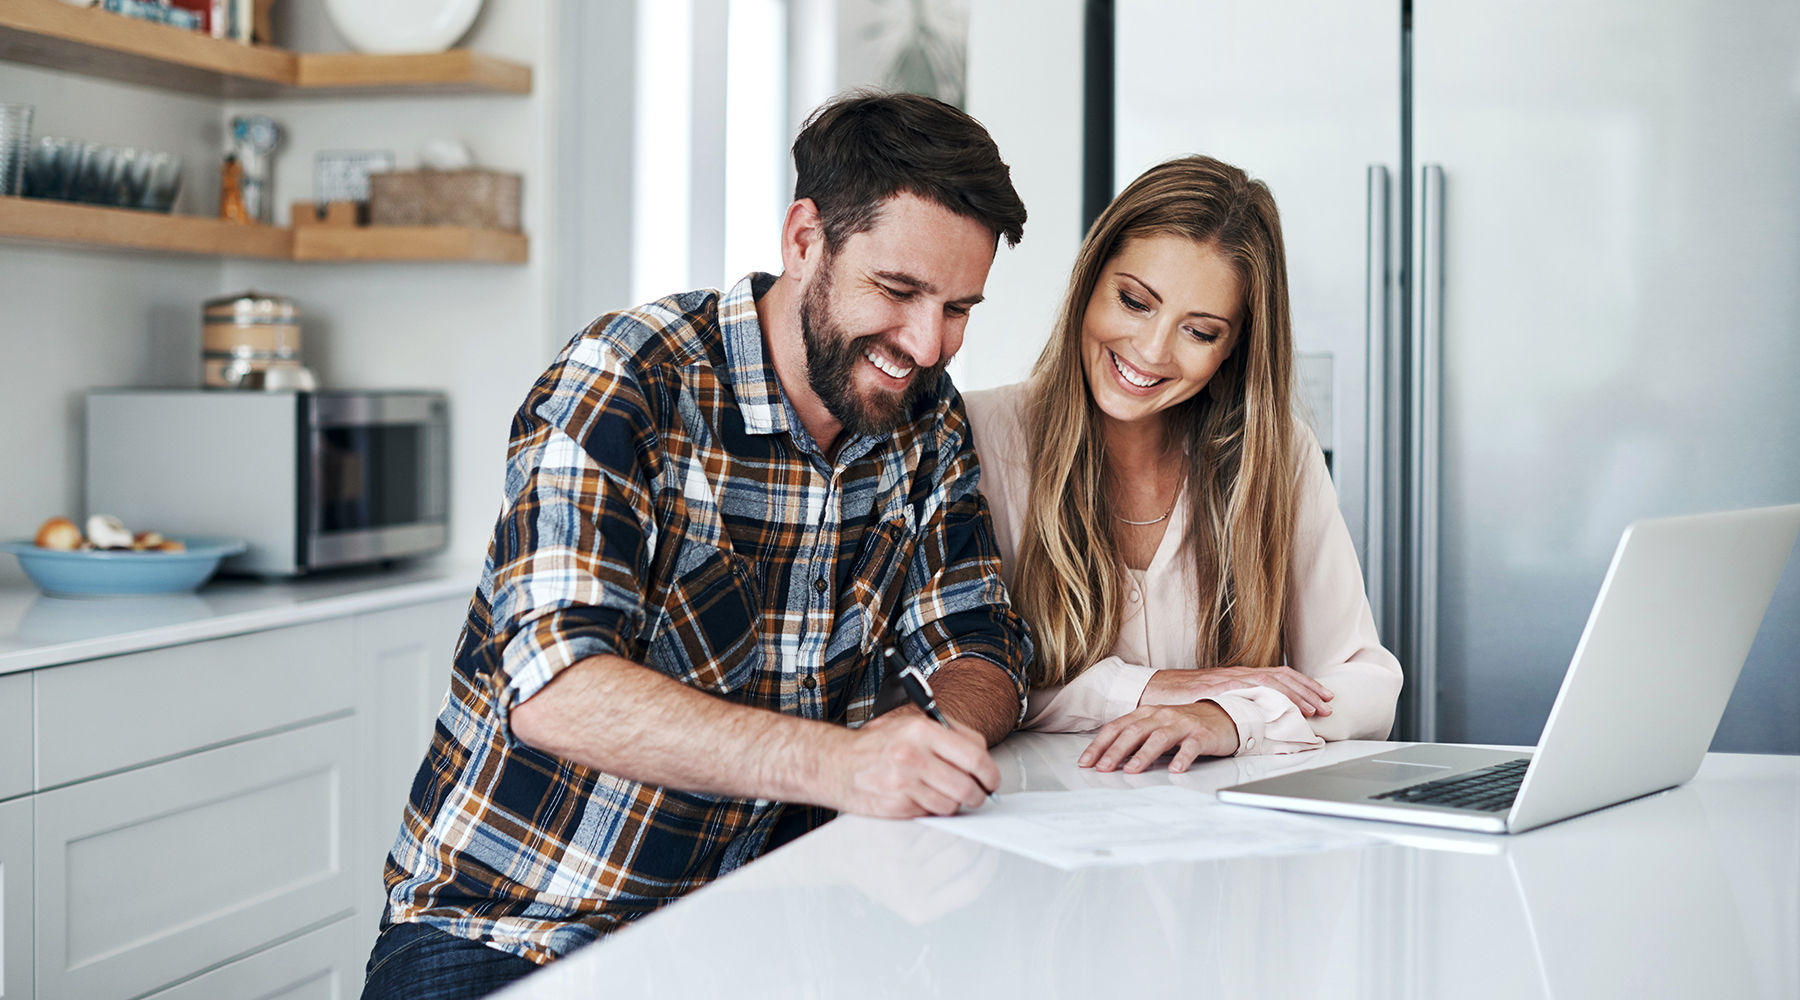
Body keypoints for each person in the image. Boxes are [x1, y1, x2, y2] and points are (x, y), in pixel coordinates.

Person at [361, 92, 1033, 1000]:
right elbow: (555, 686)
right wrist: (840, 763)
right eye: (900, 291)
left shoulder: (925, 420)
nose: (926, 343)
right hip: (522, 926)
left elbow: (979, 643)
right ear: (805, 240)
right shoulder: (628, 379)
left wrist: (932, 748)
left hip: (767, 923)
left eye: (958, 307)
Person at [964, 155, 1402, 774]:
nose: (1150, 350)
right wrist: (1150, 686)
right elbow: (951, 686)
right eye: (1134, 301)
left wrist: (1229, 718)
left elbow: (1365, 681)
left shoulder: (1277, 455)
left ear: (1233, 349)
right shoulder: (975, 437)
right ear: (1090, 280)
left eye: (1199, 332)